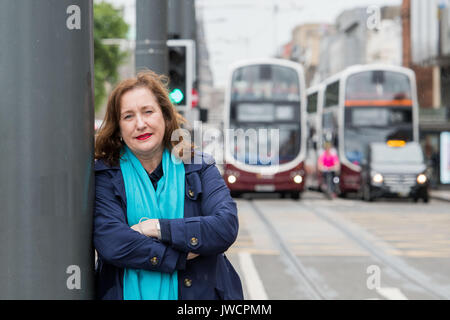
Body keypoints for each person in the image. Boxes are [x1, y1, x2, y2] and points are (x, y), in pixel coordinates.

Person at [94, 70, 243, 300]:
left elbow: (225, 226)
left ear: (165, 116)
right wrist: (179, 256)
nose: (140, 124)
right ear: (119, 129)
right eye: (128, 116)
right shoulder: (105, 175)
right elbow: (112, 242)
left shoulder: (199, 167)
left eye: (148, 112)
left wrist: (156, 228)